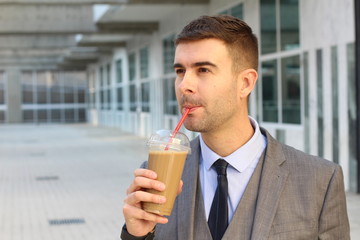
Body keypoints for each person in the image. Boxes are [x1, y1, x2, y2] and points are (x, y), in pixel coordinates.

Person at [121, 15, 350, 240]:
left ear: (245, 83)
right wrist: (136, 236)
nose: (184, 85)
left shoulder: (320, 180)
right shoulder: (157, 176)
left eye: (203, 70)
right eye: (180, 71)